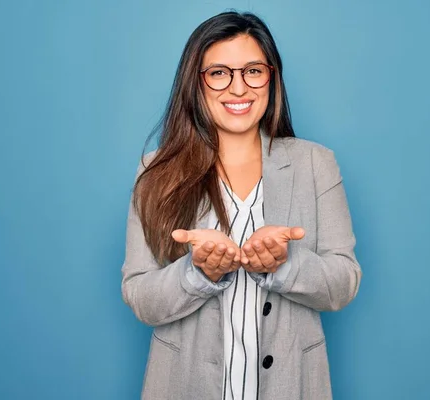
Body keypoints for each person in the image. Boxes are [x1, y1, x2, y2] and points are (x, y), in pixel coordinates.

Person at [121, 10, 362, 400]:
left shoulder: (316, 163)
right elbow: (140, 295)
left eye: (253, 71)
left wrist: (285, 263)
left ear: (272, 77)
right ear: (195, 84)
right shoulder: (156, 170)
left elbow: (344, 282)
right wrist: (197, 272)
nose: (238, 89)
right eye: (219, 73)